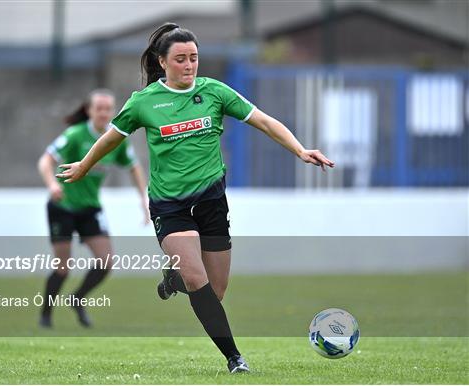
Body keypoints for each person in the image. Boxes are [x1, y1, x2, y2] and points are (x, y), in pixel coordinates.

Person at [56, 24, 334, 372]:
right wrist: (84, 165)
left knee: (214, 292)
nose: (189, 65)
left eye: (194, 58)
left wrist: (299, 149)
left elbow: (262, 121)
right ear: (163, 62)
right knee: (195, 279)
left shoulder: (215, 92)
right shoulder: (144, 102)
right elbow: (113, 138)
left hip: (211, 202)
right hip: (170, 206)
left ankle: (174, 278)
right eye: (181, 59)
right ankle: (235, 358)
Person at [38, 89, 149, 328]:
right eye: (99, 108)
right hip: (63, 205)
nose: (104, 113)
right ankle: (46, 314)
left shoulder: (115, 139)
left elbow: (134, 166)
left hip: (90, 208)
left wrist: (144, 199)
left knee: (106, 261)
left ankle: (77, 298)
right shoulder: (75, 135)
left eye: (108, 109)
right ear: (89, 110)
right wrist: (51, 184)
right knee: (63, 268)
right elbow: (45, 160)